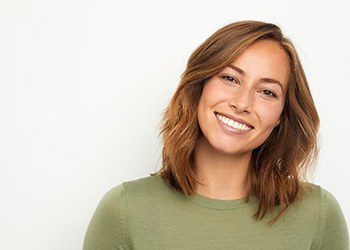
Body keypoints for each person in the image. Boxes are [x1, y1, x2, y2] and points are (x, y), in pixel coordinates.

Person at [83, 20, 349, 249]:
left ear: (282, 116)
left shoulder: (318, 215)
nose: (242, 103)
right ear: (199, 86)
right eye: (230, 78)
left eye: (267, 91)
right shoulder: (124, 210)